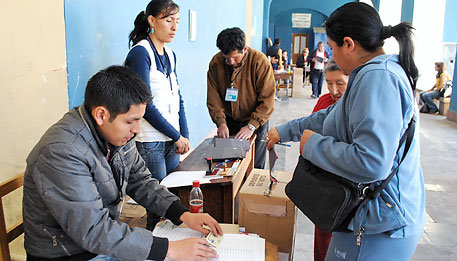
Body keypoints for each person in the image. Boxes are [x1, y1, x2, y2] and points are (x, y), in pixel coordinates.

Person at [266, 2, 424, 260]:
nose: (331, 56)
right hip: (367, 217)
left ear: (349, 44)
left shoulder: (379, 78)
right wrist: (287, 131)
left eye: (332, 48)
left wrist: (313, 145)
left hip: (381, 224)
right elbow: (331, 117)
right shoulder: (370, 74)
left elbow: (372, 162)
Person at [22, 65, 223, 261]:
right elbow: (93, 231)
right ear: (101, 115)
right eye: (131, 121)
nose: (137, 130)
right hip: (71, 253)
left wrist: (182, 214)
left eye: (140, 120)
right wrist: (170, 249)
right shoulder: (63, 152)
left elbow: (142, 182)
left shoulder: (116, 135)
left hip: (99, 244)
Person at [124, 0, 189, 230]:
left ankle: (172, 243)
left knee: (172, 195)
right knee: (157, 201)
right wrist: (176, 135)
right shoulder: (140, 53)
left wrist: (183, 134)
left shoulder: (170, 54)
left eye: (177, 21)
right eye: (168, 20)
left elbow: (178, 98)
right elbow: (145, 105)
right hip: (150, 140)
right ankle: (154, 246)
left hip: (171, 139)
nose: (174, 27)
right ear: (152, 20)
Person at [207, 27, 275, 169]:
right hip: (229, 120)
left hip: (256, 122)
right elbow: (213, 97)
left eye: (235, 58)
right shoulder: (216, 62)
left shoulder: (260, 62)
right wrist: (220, 122)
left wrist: (252, 125)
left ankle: (251, 190)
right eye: (227, 58)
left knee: (255, 163)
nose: (231, 62)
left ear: (244, 49)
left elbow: (267, 100)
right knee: (231, 163)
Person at [311, 60, 349, 261]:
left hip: (346, 184)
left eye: (340, 83)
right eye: (329, 83)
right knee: (323, 237)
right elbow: (309, 133)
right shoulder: (324, 102)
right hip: (324, 184)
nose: (334, 90)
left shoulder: (359, 108)